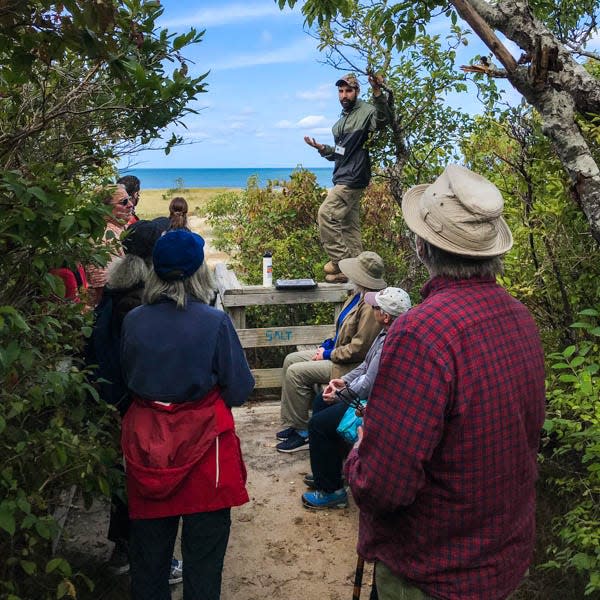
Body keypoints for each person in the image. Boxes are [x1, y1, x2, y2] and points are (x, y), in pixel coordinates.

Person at [344, 165, 546, 600]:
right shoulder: (520, 319)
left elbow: (384, 487)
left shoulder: (422, 332)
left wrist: (360, 452)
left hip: (434, 571)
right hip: (503, 563)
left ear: (423, 245)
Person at [120, 229, 254, 600]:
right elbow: (240, 387)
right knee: (204, 563)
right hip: (205, 449)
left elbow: (124, 379)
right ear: (200, 273)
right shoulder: (213, 323)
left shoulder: (134, 321)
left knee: (149, 561)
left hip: (148, 445)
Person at [302, 287, 411, 510]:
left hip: (374, 404)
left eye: (376, 307)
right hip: (364, 396)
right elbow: (364, 366)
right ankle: (328, 472)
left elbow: (370, 384)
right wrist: (342, 382)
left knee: (318, 425)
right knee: (320, 402)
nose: (372, 308)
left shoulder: (392, 342)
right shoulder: (383, 333)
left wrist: (341, 394)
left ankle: (332, 491)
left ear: (386, 316)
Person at [275, 251, 386, 453]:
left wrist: (327, 355)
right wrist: (326, 346)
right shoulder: (357, 295)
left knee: (296, 373)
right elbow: (341, 330)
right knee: (290, 359)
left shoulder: (371, 305)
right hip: (335, 352)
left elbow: (359, 349)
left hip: (345, 364)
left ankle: (303, 433)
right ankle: (295, 422)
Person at [304, 72, 393, 282]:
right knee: (349, 227)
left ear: (357, 91)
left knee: (326, 214)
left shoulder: (367, 111)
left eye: (348, 91)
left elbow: (382, 120)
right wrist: (322, 148)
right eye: (341, 91)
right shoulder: (340, 122)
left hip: (353, 177)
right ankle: (358, 270)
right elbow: (342, 152)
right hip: (343, 174)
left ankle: (342, 263)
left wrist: (378, 92)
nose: (344, 95)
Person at [85, 184, 133, 307]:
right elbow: (101, 287)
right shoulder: (102, 238)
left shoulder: (121, 228)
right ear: (105, 208)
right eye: (124, 202)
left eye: (130, 199)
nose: (131, 205)